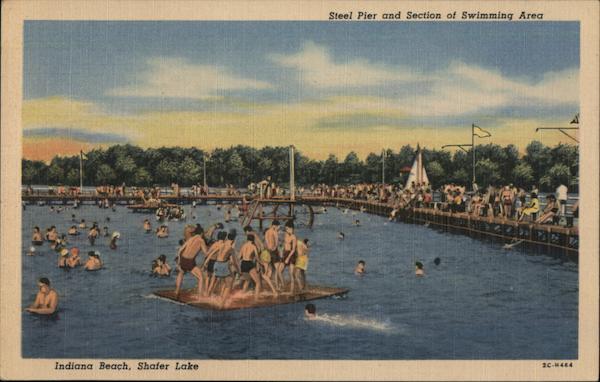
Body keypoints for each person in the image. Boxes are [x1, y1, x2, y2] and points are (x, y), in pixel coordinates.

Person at [174, 224, 208, 300]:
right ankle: (200, 296)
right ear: (201, 233)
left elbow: (180, 250)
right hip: (190, 261)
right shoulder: (201, 240)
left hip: (183, 258)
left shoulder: (190, 239)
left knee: (181, 273)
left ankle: (177, 291)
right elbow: (206, 253)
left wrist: (179, 261)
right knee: (201, 277)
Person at [239, 234, 261, 300]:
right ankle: (256, 299)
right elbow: (257, 257)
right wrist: (261, 263)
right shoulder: (253, 246)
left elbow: (239, 256)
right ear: (253, 240)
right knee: (258, 282)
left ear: (247, 239)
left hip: (243, 263)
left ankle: (242, 295)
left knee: (247, 280)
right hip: (249, 263)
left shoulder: (243, 245)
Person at [265, 220, 284, 290]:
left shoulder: (267, 232)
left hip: (268, 251)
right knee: (277, 270)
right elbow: (276, 243)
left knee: (272, 270)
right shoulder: (274, 232)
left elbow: (266, 242)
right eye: (278, 227)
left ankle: (275, 285)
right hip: (274, 251)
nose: (278, 228)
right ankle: (279, 286)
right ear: (275, 226)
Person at [283, 222, 298, 294]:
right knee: (280, 270)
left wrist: (288, 258)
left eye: (287, 229)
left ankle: (292, 291)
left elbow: (294, 249)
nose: (286, 230)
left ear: (291, 228)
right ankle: (281, 286)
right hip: (285, 253)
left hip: (291, 255)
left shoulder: (293, 237)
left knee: (291, 273)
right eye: (286, 229)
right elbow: (284, 245)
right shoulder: (286, 234)